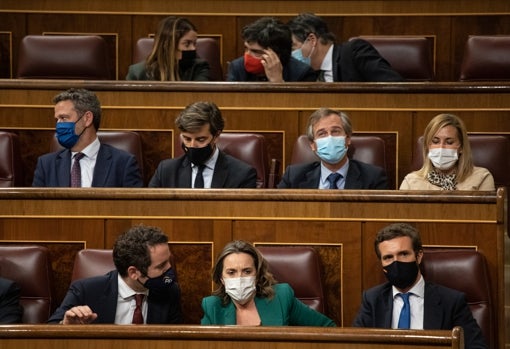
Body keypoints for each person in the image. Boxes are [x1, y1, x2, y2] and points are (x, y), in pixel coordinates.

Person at [352, 223, 487, 349]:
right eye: (388, 257)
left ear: (419, 256)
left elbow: (476, 347)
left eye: (403, 254)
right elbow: (354, 345)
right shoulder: (372, 300)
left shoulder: (451, 302)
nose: (396, 263)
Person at [48, 225, 181, 324]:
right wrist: (65, 326)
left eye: (168, 261)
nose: (169, 268)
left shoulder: (169, 292)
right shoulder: (86, 290)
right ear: (133, 272)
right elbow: (47, 334)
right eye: (161, 266)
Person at [201, 240, 335, 326]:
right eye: (231, 272)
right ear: (221, 279)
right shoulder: (212, 307)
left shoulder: (282, 297)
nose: (239, 278)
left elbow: (328, 329)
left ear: (258, 275)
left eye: (247, 271)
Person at [32, 88, 143, 187]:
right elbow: (37, 208)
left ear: (87, 118)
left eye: (64, 118)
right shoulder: (46, 165)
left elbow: (134, 208)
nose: (58, 125)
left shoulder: (123, 163)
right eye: (57, 120)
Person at [148, 101, 257, 188]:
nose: (192, 145)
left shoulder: (242, 174)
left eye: (200, 139)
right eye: (187, 139)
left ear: (216, 136)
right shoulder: (166, 171)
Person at [277, 108, 387, 189]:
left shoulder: (373, 177)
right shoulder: (294, 177)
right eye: (322, 133)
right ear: (313, 145)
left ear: (347, 138)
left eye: (335, 131)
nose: (330, 137)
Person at [287, 13, 403, 82]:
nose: (292, 54)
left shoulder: (353, 52)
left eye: (293, 47)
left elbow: (394, 85)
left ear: (312, 40)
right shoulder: (308, 74)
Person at [400, 113, 495, 190]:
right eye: (435, 141)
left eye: (449, 142)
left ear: (461, 147)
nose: (441, 147)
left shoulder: (481, 178)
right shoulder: (411, 181)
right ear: (427, 146)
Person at [227, 17, 318, 82]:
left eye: (255, 51)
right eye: (246, 48)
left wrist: (277, 82)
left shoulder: (303, 73)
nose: (247, 55)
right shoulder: (237, 67)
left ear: (277, 54)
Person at [126, 16, 210, 81]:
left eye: (194, 43)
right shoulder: (138, 73)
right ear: (168, 46)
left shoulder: (199, 67)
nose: (193, 48)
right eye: (187, 44)